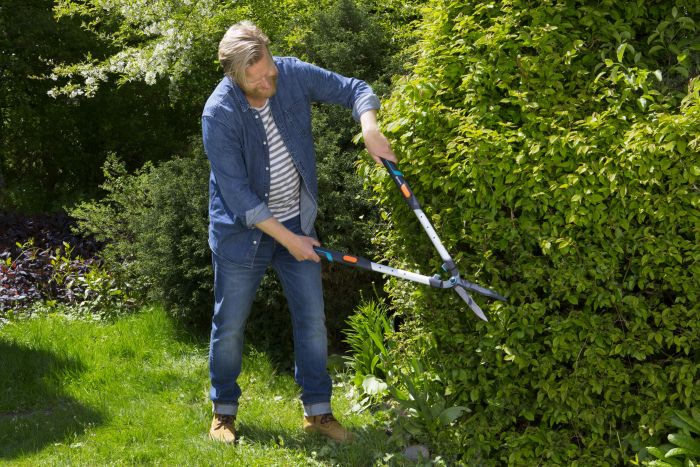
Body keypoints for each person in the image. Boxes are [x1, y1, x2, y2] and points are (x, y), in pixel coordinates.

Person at [201, 21, 397, 444]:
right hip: (241, 234)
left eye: (269, 70)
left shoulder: (288, 73)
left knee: (311, 322)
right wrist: (292, 243)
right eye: (257, 78)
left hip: (296, 222)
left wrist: (369, 127)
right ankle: (224, 412)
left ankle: (318, 413)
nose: (269, 80)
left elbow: (354, 88)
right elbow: (240, 197)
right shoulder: (219, 114)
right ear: (234, 77)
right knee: (230, 325)